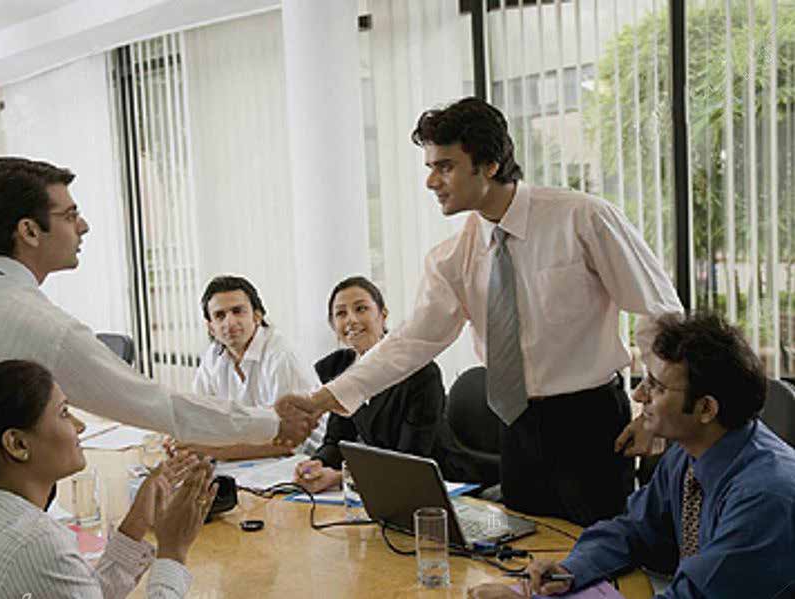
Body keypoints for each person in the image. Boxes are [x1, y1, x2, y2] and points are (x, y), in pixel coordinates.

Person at [0, 157, 314, 598]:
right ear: (29, 231)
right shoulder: (41, 326)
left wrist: (134, 527)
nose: (85, 226)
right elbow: (154, 404)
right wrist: (270, 422)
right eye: (70, 215)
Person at [277, 97, 683, 526]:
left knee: (603, 556)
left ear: (489, 164)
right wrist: (319, 400)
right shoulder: (454, 257)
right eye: (430, 167)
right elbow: (409, 344)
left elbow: (659, 312)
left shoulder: (581, 218)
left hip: (590, 421)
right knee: (528, 555)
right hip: (516, 426)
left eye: (445, 166)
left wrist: (656, 415)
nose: (432, 181)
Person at [467, 313, 795, 599]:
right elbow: (634, 530)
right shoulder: (689, 453)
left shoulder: (765, 497)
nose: (639, 395)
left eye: (657, 387)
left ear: (706, 408)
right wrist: (571, 569)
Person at [0, 360, 215, 598]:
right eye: (64, 413)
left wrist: (137, 522)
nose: (80, 427)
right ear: (18, 444)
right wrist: (173, 551)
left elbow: (84, 592)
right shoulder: (36, 543)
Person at [293, 276, 491, 493]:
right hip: (387, 482)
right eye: (341, 313)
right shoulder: (339, 370)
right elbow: (337, 439)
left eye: (361, 309)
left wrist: (341, 478)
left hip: (441, 481)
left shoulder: (420, 371)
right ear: (333, 325)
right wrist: (318, 463)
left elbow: (412, 460)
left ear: (383, 315)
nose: (351, 320)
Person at [181, 275, 323, 460]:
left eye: (238, 311)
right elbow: (201, 416)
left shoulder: (281, 356)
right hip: (250, 460)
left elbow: (290, 441)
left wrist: (213, 451)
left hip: (303, 461)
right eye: (220, 315)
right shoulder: (213, 357)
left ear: (257, 315)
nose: (229, 322)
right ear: (211, 327)